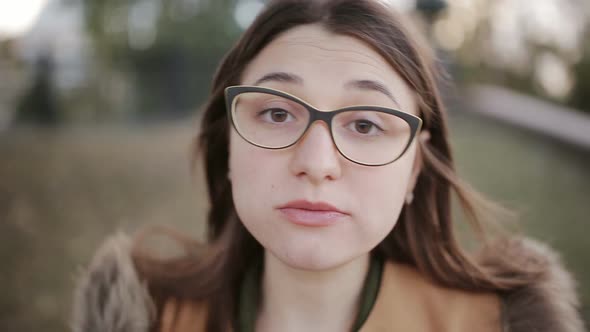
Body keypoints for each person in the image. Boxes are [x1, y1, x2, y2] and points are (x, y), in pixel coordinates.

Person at [71, 1, 586, 331]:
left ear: (413, 170)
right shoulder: (150, 319)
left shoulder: (493, 325)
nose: (317, 165)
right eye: (276, 112)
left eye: (365, 124)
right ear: (228, 142)